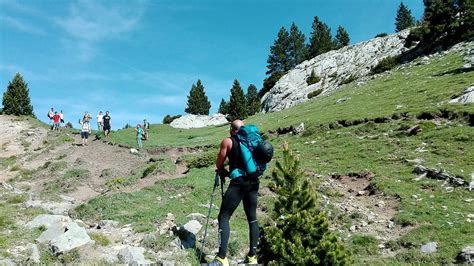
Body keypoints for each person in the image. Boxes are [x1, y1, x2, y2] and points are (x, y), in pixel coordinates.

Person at [210, 120, 259, 266]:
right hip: (254, 181)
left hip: (238, 183)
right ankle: (252, 257)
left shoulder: (228, 141)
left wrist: (224, 171)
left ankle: (222, 258)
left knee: (224, 216)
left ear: (231, 129)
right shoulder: (252, 140)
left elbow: (219, 164)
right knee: (252, 218)